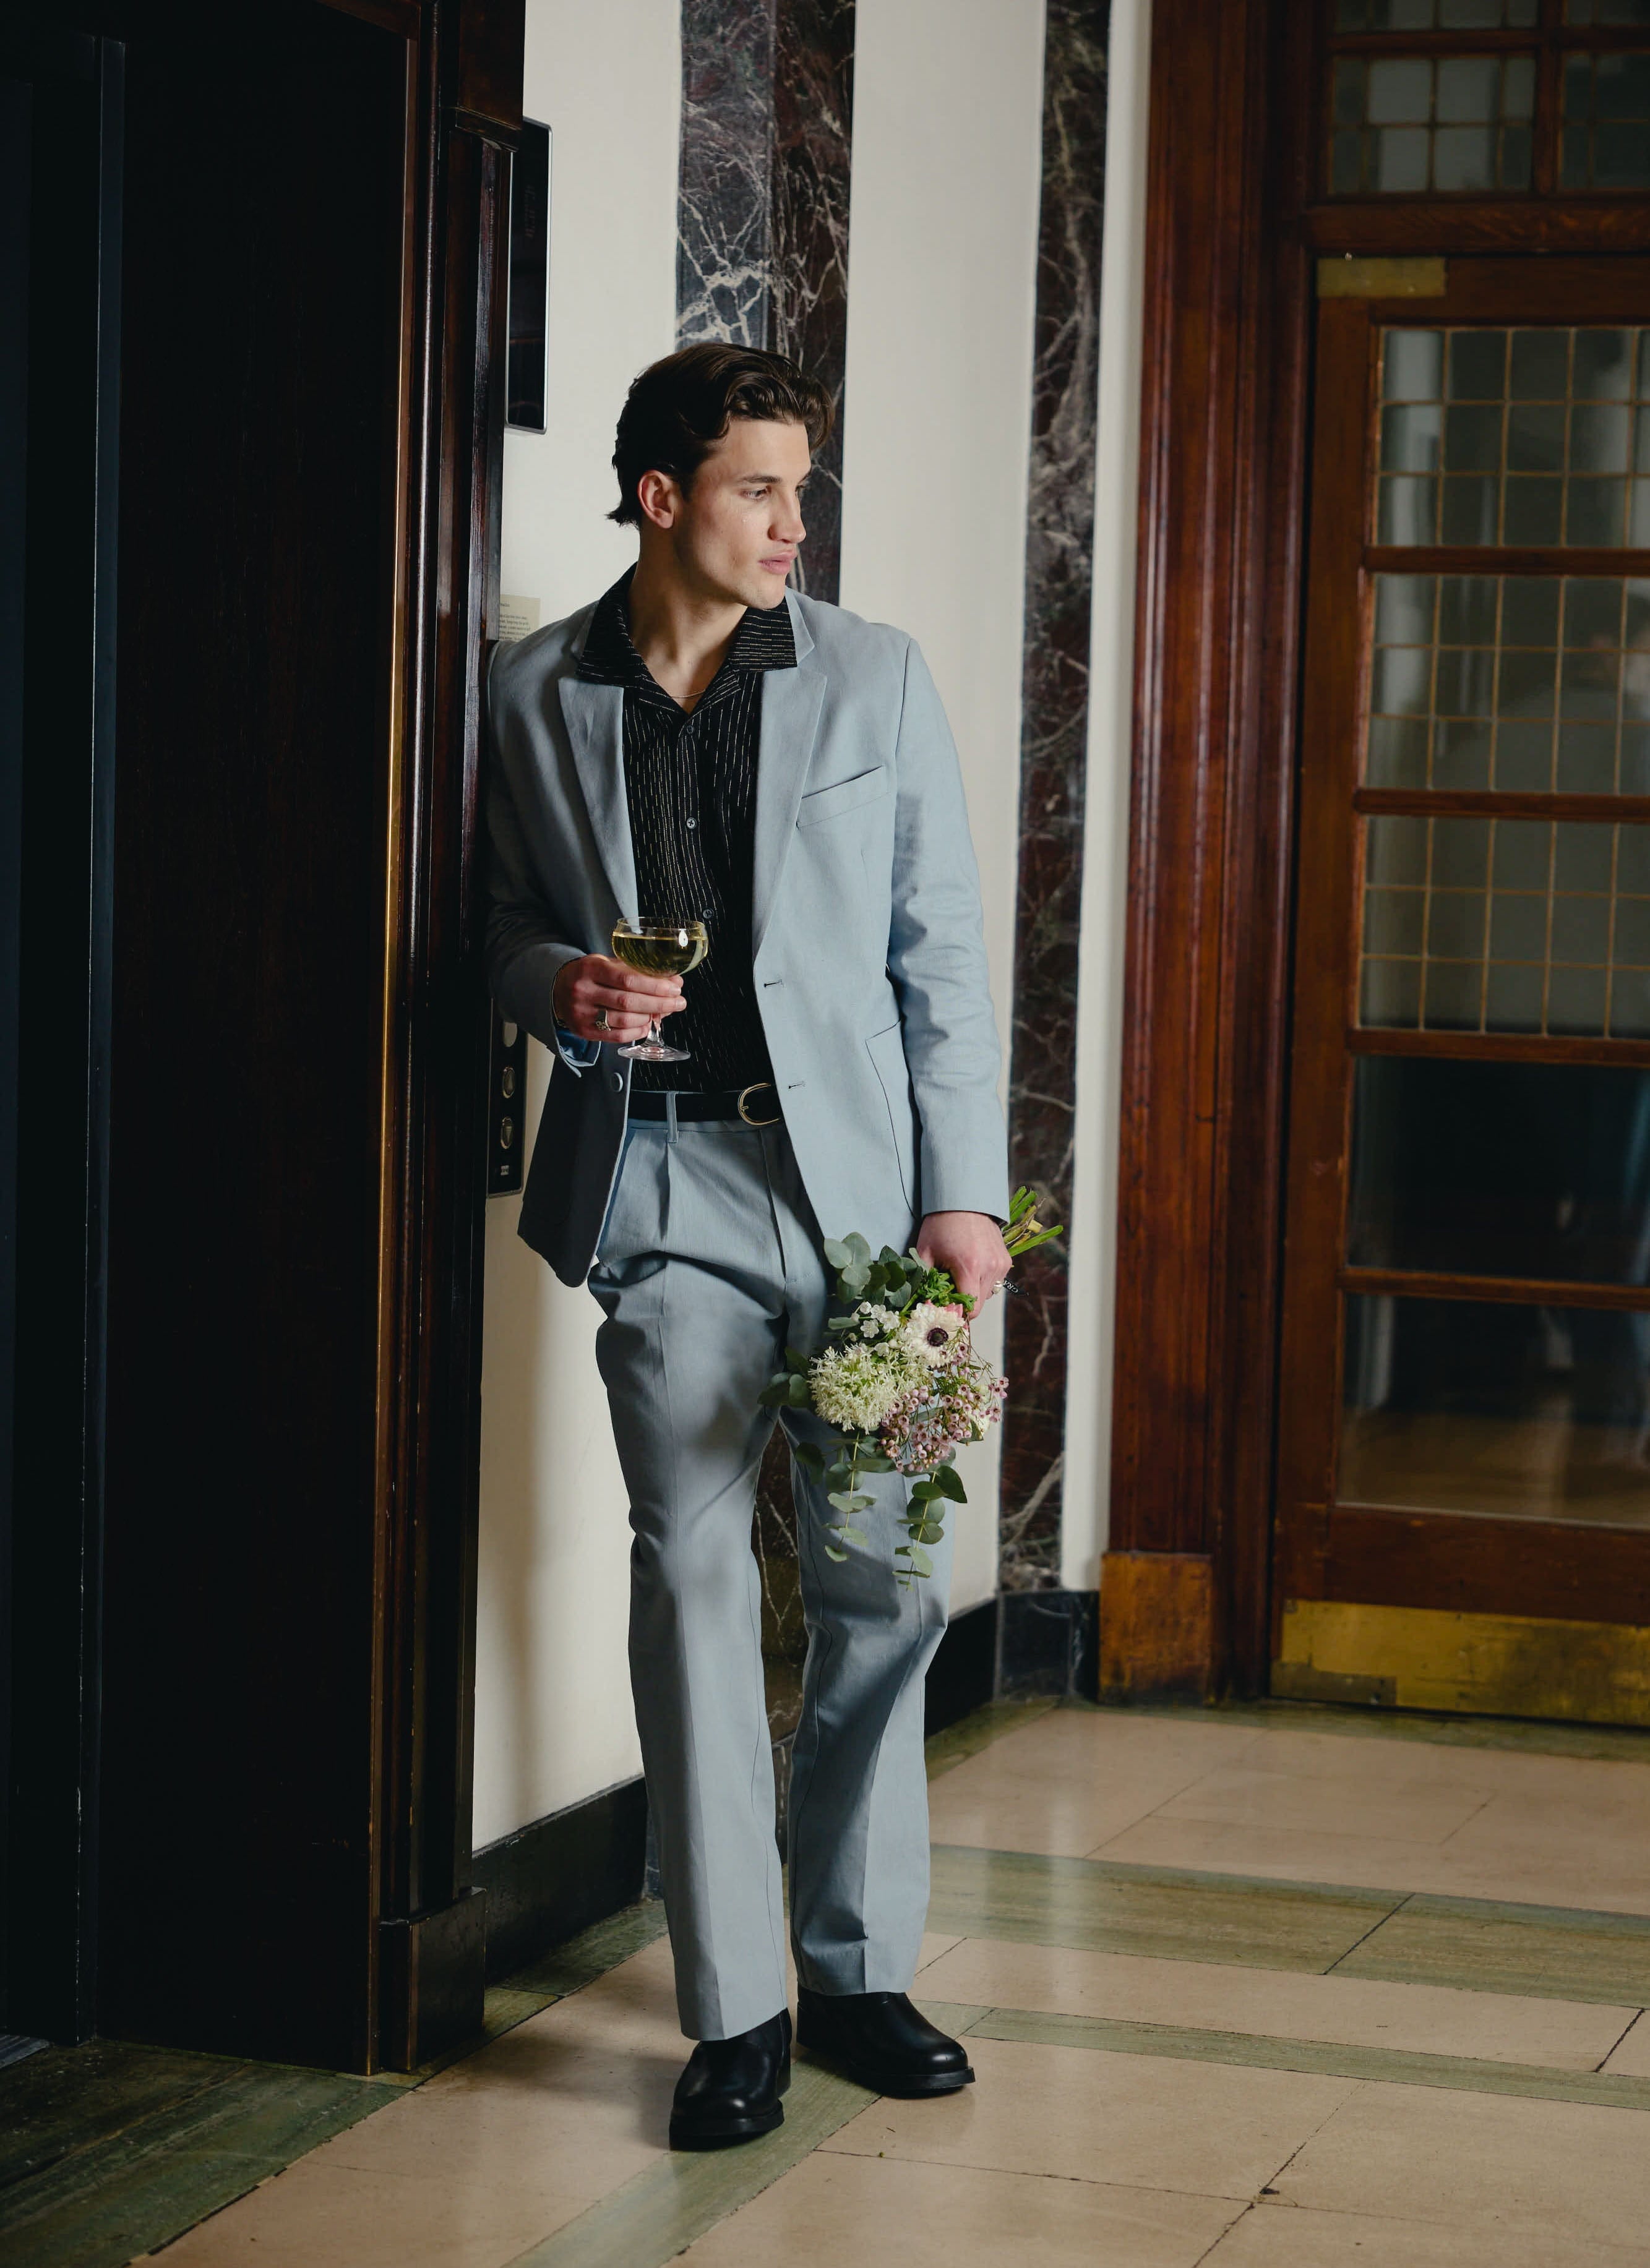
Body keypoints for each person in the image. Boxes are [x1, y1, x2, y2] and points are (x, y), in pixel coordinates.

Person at [483, 343, 1011, 2150]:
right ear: (661, 499)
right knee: (692, 1580)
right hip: (661, 1189)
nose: (794, 523)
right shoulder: (531, 691)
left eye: (802, 489)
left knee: (883, 1584)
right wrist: (557, 985)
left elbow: (943, 954)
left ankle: (855, 1965)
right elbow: (491, 919)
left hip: (866, 1207)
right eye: (758, 489)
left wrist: (963, 1198)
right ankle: (737, 2009)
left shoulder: (875, 675)